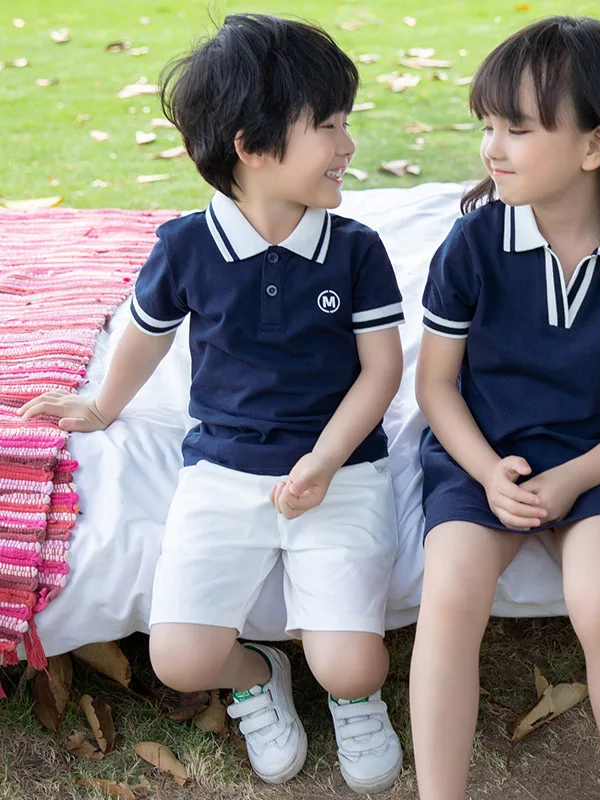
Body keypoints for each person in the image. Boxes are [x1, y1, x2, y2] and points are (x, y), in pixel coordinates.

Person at [19, 14, 404, 794]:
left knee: (350, 663)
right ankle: (258, 672)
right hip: (222, 473)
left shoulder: (357, 248)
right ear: (252, 146)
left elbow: (380, 372)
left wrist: (324, 464)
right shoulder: (185, 246)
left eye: (345, 123)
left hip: (343, 472)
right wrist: (99, 406)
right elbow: (145, 334)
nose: (348, 145)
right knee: (181, 656)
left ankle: (353, 699)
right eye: (328, 126)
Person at [410, 16, 600, 800]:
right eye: (487, 126)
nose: (491, 147)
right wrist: (485, 471)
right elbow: (434, 385)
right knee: (449, 595)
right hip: (481, 452)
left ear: (594, 146)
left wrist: (573, 480)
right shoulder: (472, 245)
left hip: (599, 456)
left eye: (518, 128)